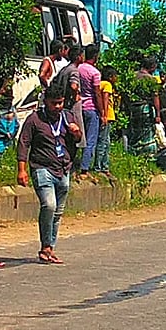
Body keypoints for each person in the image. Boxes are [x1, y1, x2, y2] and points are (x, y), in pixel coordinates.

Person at [17, 86, 82, 264]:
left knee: (58, 212)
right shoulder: (34, 120)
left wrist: (76, 133)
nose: (58, 107)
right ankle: (45, 246)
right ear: (45, 102)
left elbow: (77, 140)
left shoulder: (68, 117)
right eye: (54, 103)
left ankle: (50, 247)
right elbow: (23, 143)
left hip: (63, 168)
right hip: (42, 167)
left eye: (60, 103)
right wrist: (21, 169)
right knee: (49, 205)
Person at [76, 43, 104, 178]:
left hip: (78, 107)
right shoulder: (95, 73)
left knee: (77, 137)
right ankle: (84, 168)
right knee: (90, 139)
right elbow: (97, 94)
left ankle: (72, 164)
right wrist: (102, 113)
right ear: (96, 56)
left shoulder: (78, 68)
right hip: (91, 108)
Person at [93, 66, 117, 175]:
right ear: (111, 77)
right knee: (104, 142)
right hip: (108, 116)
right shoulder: (107, 85)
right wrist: (105, 115)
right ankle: (100, 167)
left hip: (101, 116)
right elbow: (105, 99)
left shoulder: (100, 84)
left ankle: (103, 166)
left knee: (104, 141)